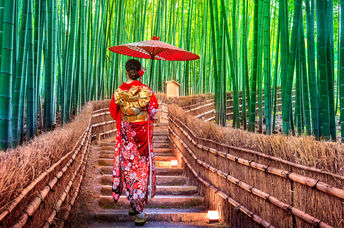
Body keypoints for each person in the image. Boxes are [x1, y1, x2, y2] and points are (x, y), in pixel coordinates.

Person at [109, 59, 159, 226]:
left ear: (126, 71)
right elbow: (153, 111)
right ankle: (139, 211)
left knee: (128, 166)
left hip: (125, 135)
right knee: (141, 168)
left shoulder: (118, 91)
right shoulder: (146, 90)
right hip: (142, 135)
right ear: (139, 71)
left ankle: (133, 202)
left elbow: (113, 112)